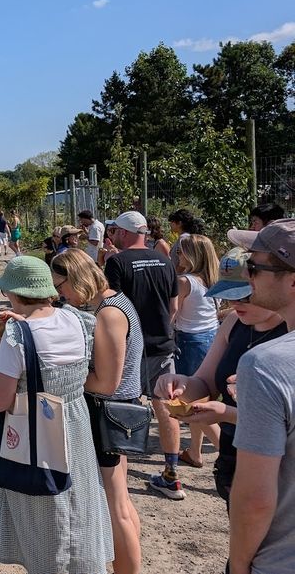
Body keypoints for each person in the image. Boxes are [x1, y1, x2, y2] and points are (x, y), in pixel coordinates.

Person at [0, 255, 114, 572]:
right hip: (75, 423)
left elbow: (0, 399)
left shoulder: (17, 336)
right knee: (78, 507)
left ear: (13, 294)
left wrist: (0, 342)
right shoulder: (79, 321)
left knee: (44, 514)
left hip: (36, 431)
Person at [155, 247, 286, 507]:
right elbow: (205, 382)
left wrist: (226, 413)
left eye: (244, 296)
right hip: (234, 457)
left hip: (278, 468)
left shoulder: (287, 334)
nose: (234, 305)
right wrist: (181, 384)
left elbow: (284, 422)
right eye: (229, 296)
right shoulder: (233, 324)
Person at [51, 249, 143, 574]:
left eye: (61, 286)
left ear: (76, 277)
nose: (61, 294)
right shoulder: (115, 303)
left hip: (109, 414)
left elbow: (106, 383)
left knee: (114, 507)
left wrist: (63, 377)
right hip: (118, 414)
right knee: (121, 502)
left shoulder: (108, 313)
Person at [228, 219, 295, 574]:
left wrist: (237, 566)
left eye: (254, 267)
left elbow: (255, 500)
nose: (247, 276)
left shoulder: (265, 365)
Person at [104, 210, 183, 499]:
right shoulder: (165, 260)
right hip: (163, 343)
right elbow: (173, 308)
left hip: (131, 347)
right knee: (165, 405)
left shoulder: (117, 262)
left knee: (121, 404)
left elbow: (113, 308)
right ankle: (172, 473)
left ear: (123, 233)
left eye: (115, 232)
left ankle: (116, 480)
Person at [172, 233, 221, 467]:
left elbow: (172, 314)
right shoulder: (212, 279)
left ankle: (229, 452)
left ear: (192, 255)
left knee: (191, 404)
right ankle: (195, 451)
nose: (177, 254)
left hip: (190, 342)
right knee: (200, 399)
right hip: (211, 338)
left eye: (181, 251)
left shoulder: (185, 281)